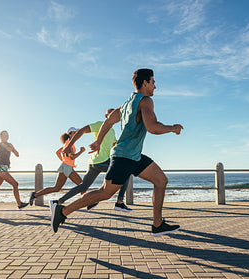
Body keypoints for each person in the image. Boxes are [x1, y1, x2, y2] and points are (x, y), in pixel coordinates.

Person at [51, 68, 184, 236]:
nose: (155, 86)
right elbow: (152, 127)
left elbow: (108, 121)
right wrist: (172, 128)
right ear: (145, 83)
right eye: (153, 82)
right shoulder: (146, 101)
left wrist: (99, 141)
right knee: (105, 193)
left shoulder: (128, 102)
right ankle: (62, 211)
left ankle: (157, 224)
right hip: (124, 157)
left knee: (161, 180)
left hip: (134, 156)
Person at [50, 109, 132, 212]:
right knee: (126, 172)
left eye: (117, 115)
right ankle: (119, 202)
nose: (114, 117)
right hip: (101, 161)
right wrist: (70, 145)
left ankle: (57, 202)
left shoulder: (112, 131)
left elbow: (114, 145)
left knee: (83, 186)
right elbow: (82, 130)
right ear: (106, 115)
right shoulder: (100, 124)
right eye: (111, 114)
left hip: (94, 162)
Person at [28, 128, 85, 206]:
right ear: (70, 134)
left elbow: (58, 152)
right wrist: (81, 151)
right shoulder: (69, 143)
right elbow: (72, 157)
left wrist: (64, 161)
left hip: (66, 166)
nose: (76, 134)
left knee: (57, 188)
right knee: (82, 184)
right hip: (67, 167)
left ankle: (35, 195)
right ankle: (85, 202)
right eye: (75, 132)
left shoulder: (67, 143)